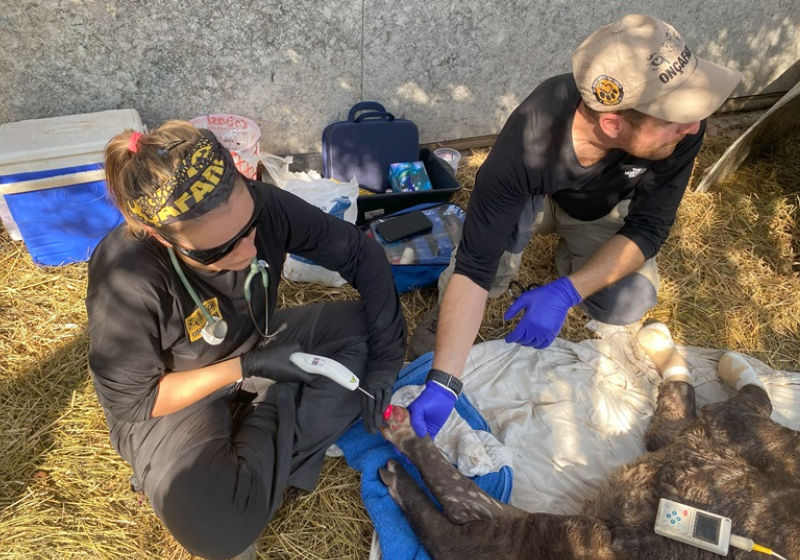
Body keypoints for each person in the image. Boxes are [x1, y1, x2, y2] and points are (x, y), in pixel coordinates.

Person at [406, 14, 743, 440]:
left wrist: (571, 290)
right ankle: (450, 316)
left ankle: (571, 260)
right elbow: (474, 266)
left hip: (599, 208)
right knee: (490, 259)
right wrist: (445, 381)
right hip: (534, 197)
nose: (694, 125)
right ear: (612, 122)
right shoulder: (527, 142)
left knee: (627, 301)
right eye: (676, 116)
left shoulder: (682, 129)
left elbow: (650, 227)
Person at [86, 121, 406, 560]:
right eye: (219, 252)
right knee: (218, 532)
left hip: (256, 347)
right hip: (175, 397)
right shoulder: (126, 275)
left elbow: (359, 253)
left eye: (251, 227)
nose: (248, 252)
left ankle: (258, 453)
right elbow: (135, 402)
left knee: (372, 332)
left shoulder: (262, 205)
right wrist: (248, 368)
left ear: (246, 182)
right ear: (162, 238)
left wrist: (388, 359)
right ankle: (262, 454)